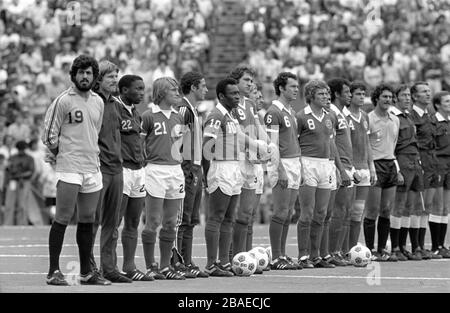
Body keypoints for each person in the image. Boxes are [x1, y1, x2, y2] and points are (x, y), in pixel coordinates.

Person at [42, 55, 110, 285]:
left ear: (94, 76)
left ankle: (86, 272)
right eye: (80, 72)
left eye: (89, 73)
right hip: (69, 166)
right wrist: (61, 152)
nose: (84, 76)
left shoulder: (98, 102)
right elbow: (49, 135)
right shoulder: (63, 100)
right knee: (62, 217)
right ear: (73, 75)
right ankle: (53, 271)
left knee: (88, 219)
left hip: (92, 167)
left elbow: (95, 131)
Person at [203, 78, 265, 276]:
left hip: (234, 167)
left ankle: (223, 261)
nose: (237, 97)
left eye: (238, 93)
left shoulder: (231, 116)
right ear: (221, 96)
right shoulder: (215, 115)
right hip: (221, 168)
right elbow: (206, 146)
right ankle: (212, 263)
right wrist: (207, 175)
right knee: (216, 217)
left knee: (230, 218)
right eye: (233, 94)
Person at [90, 60, 132, 283]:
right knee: (93, 221)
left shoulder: (116, 104)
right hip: (98, 168)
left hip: (117, 168)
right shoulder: (92, 102)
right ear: (99, 80)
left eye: (116, 75)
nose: (115, 80)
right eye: (110, 76)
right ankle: (90, 268)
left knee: (112, 222)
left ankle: (110, 267)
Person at [140, 77, 186, 280]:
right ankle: (151, 265)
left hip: (175, 170)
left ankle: (166, 265)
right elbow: (139, 145)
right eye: (172, 90)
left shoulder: (179, 117)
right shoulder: (148, 116)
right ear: (160, 93)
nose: (177, 93)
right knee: (153, 221)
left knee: (170, 222)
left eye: (177, 89)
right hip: (155, 170)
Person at [228, 66, 273, 263]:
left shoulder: (249, 104)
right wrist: (255, 144)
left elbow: (257, 128)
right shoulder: (230, 102)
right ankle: (230, 257)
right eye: (246, 80)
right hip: (235, 159)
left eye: (251, 81)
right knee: (234, 214)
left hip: (251, 161)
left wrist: (269, 145)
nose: (250, 84)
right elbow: (236, 133)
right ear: (236, 81)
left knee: (247, 214)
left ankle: (244, 257)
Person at [114, 75, 156, 280]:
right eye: (137, 89)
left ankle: (129, 267)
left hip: (138, 171)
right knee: (114, 220)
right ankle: (109, 267)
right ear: (123, 90)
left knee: (133, 221)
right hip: (121, 171)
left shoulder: (136, 114)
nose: (141, 92)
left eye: (143, 88)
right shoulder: (114, 110)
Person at [296, 80, 335, 268]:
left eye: (327, 94)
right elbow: (294, 142)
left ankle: (315, 255)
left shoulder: (330, 117)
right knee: (307, 212)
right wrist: (299, 167)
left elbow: (330, 142)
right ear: (311, 96)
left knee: (321, 213)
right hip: (307, 163)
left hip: (325, 165)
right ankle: (303, 256)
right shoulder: (301, 117)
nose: (326, 97)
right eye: (321, 94)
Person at [264, 72, 301, 270]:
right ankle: (276, 256)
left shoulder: (291, 111)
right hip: (282, 163)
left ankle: (283, 254)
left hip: (294, 163)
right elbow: (272, 145)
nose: (296, 89)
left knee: (288, 213)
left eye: (297, 86)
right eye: (293, 86)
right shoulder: (273, 112)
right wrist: (281, 170)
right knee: (280, 212)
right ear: (281, 88)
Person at [174, 71, 209, 278]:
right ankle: (177, 260)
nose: (205, 89)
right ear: (194, 87)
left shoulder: (194, 110)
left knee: (192, 218)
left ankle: (186, 260)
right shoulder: (184, 110)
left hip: (195, 168)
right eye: (203, 86)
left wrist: (200, 168)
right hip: (187, 168)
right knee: (183, 218)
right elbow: (178, 142)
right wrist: (185, 167)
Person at [364, 83, 402, 262]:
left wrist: (397, 168)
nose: (388, 100)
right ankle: (370, 250)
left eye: (390, 97)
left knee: (386, 210)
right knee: (372, 210)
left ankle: (382, 249)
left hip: (390, 165)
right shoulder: (369, 118)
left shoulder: (395, 119)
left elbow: (393, 145)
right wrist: (370, 167)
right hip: (375, 165)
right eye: (385, 97)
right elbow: (366, 145)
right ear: (377, 98)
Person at [389, 85, 423, 261]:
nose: (408, 98)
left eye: (409, 95)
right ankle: (394, 246)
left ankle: (403, 245)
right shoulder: (393, 117)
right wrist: (396, 168)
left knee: (410, 206)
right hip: (402, 160)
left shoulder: (408, 117)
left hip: (414, 161)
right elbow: (392, 144)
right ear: (396, 98)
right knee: (399, 206)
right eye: (403, 95)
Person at [409, 82, 442, 259]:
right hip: (419, 163)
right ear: (415, 96)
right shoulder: (412, 115)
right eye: (424, 92)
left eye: (429, 91)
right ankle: (415, 246)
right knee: (417, 206)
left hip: (431, 163)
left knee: (427, 207)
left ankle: (422, 246)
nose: (428, 94)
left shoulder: (430, 115)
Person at [327, 78, 357, 264]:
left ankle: (341, 250)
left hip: (348, 166)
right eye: (346, 92)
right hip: (339, 167)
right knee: (338, 211)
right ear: (336, 94)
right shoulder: (331, 113)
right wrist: (341, 169)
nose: (350, 95)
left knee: (347, 211)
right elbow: (332, 144)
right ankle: (332, 251)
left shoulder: (342, 114)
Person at [345, 81, 376, 250]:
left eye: (363, 94)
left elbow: (367, 143)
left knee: (358, 212)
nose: (362, 97)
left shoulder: (364, 116)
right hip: (351, 168)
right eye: (358, 94)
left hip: (364, 167)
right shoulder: (344, 116)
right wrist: (350, 167)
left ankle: (352, 248)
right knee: (346, 211)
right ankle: (340, 249)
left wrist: (371, 166)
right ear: (350, 96)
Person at [430, 91, 450, 258]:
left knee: (445, 208)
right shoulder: (433, 122)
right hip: (438, 165)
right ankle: (435, 245)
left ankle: (442, 245)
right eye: (447, 101)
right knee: (437, 206)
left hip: (449, 166)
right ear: (438, 104)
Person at [3, 140, 35, 225]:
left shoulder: (29, 158)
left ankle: (22, 224)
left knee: (22, 205)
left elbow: (31, 171)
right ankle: (7, 224)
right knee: (9, 204)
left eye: (23, 149)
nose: (22, 150)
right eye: (20, 149)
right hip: (12, 181)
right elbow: (7, 169)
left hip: (24, 181)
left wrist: (20, 175)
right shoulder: (12, 157)